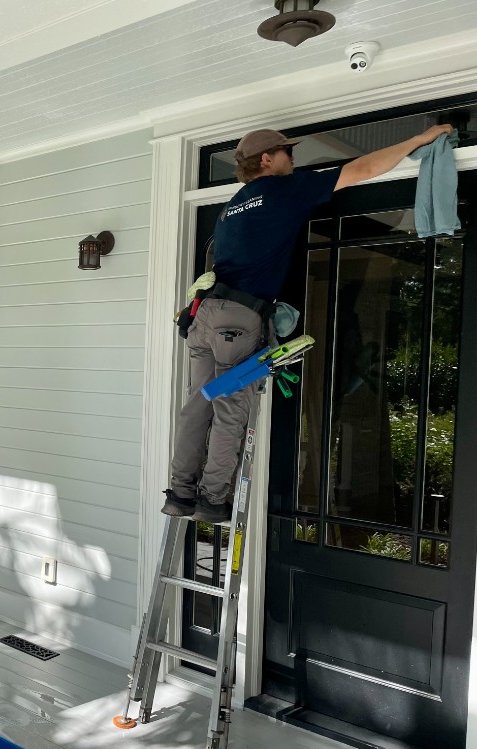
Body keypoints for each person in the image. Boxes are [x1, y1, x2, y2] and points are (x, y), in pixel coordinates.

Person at [163, 123, 454, 524]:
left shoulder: (233, 206)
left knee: (197, 406)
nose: (293, 160)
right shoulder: (284, 190)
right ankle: (212, 499)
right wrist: (417, 140)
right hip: (237, 321)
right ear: (267, 159)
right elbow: (364, 168)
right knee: (229, 410)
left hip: (205, 317)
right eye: (288, 153)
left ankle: (180, 493)